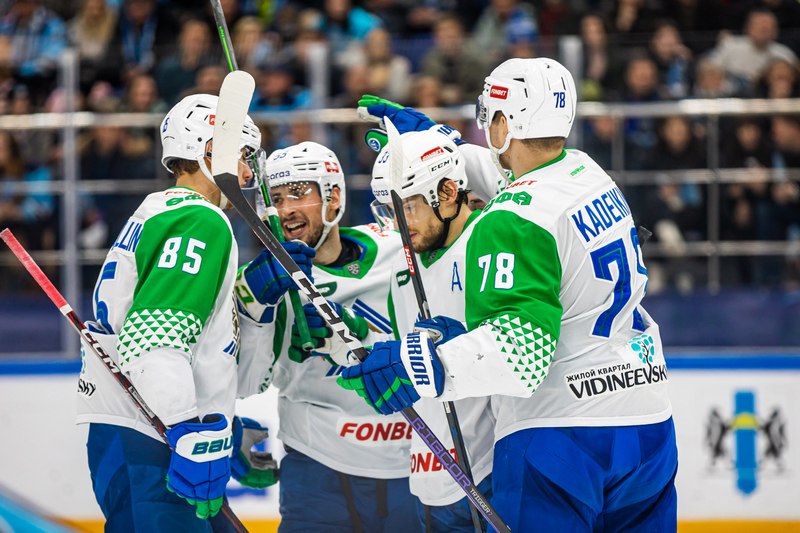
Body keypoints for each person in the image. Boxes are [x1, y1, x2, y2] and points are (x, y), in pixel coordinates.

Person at [339, 57, 678, 532]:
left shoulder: (509, 220)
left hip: (564, 432)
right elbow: (515, 181)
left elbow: (523, 354)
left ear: (506, 122)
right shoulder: (588, 173)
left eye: (489, 115)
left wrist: (420, 363)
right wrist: (442, 146)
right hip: (647, 422)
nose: (484, 126)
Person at [75, 92, 315, 531]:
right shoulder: (199, 220)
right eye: (243, 156)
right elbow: (154, 339)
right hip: (155, 439)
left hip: (142, 432)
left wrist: (226, 427)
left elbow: (196, 348)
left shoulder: (158, 210)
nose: (248, 174)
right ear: (210, 151)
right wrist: (188, 428)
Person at [235, 140, 419, 533]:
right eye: (276, 198)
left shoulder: (402, 248)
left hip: (413, 461)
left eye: (298, 193)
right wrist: (255, 310)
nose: (286, 209)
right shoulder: (259, 281)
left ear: (333, 198)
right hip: (317, 469)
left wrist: (361, 336)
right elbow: (247, 383)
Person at [368, 129, 496, 531]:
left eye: (408, 206)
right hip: (430, 475)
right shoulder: (401, 270)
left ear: (447, 193)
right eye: (391, 209)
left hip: (494, 471)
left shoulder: (491, 241)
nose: (399, 224)